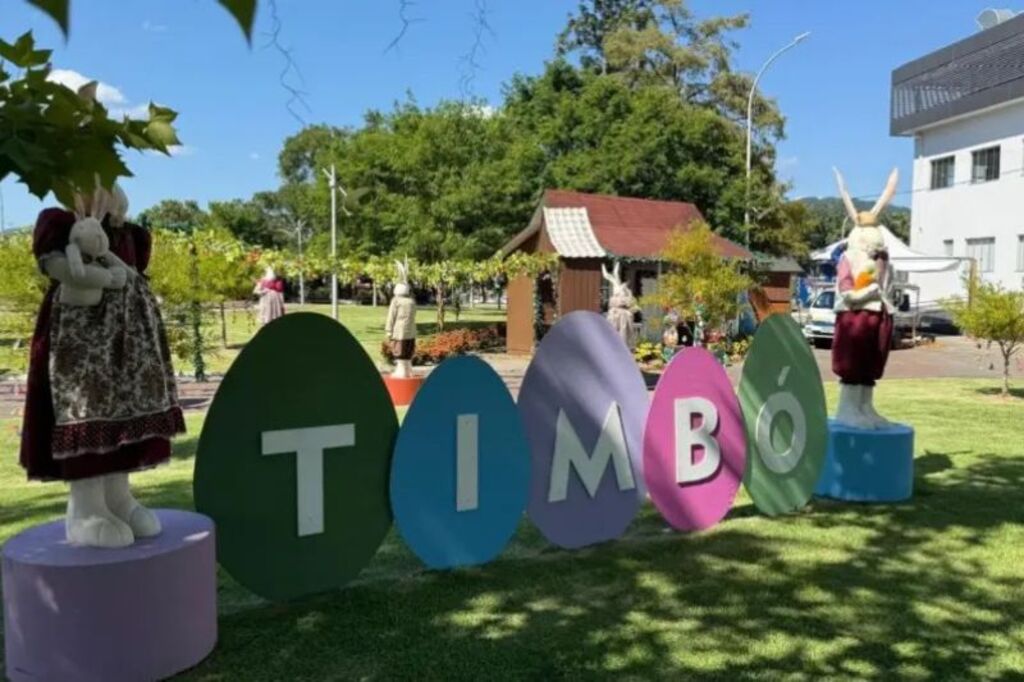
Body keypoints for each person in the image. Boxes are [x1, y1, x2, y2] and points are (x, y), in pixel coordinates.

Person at [20, 183, 185, 548]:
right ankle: (86, 507)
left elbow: (134, 269)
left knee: (125, 411)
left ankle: (118, 498)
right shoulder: (60, 222)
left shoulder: (126, 231)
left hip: (129, 336)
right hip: (82, 336)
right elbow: (58, 266)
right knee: (86, 405)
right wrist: (95, 275)